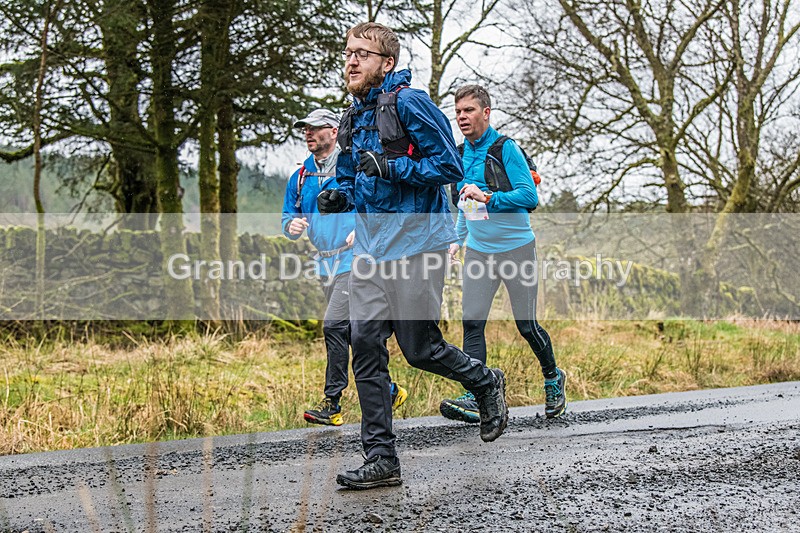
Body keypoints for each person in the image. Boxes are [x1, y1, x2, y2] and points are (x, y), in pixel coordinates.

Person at [316, 22, 509, 490]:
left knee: (420, 349)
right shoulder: (352, 116)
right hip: (370, 249)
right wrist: (337, 195)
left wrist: (394, 165)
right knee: (363, 343)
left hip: (418, 244)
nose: (352, 60)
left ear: (387, 63)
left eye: (363, 54)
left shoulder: (410, 104)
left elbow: (447, 165)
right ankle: (382, 458)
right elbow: (350, 175)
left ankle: (485, 382)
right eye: (348, 53)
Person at [440, 84, 566, 423]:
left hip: (517, 249)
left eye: (468, 110)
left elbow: (529, 197)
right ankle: (477, 393)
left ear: (486, 112)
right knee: (472, 323)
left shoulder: (505, 148)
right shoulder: (458, 153)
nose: (462, 117)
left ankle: (553, 377)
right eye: (458, 111)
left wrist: (489, 198)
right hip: (479, 252)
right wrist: (457, 240)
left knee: (526, 325)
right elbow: (465, 204)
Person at [281, 108, 408, 427]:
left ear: (334, 131)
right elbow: (288, 214)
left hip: (355, 261)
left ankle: (332, 402)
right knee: (354, 333)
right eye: (305, 129)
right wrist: (291, 226)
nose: (308, 133)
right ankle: (389, 390)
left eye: (315, 128)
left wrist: (363, 228)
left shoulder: (353, 168)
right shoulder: (300, 176)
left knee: (333, 325)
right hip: (324, 262)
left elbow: (379, 204)